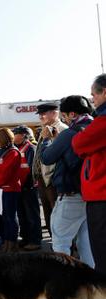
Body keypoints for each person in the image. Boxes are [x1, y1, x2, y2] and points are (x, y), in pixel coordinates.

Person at [41, 95, 94, 267]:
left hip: (71, 193)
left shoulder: (70, 133)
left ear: (72, 114)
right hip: (91, 193)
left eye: (63, 116)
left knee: (60, 240)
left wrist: (47, 140)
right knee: (86, 243)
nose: (63, 119)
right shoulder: (96, 127)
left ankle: (63, 285)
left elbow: (47, 157)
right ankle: (91, 281)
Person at [73, 74, 106, 273]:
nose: (92, 99)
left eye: (94, 94)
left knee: (102, 253)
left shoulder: (102, 121)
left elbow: (79, 144)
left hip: (101, 196)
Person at [32, 102, 68, 235]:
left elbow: (57, 154)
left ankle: (64, 247)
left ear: (54, 113)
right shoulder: (45, 128)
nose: (41, 117)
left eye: (43, 113)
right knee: (48, 214)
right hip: (43, 178)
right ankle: (55, 243)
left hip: (53, 178)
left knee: (57, 215)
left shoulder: (62, 129)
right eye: (40, 114)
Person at [0, 128, 22, 252]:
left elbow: (5, 173)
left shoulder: (13, 152)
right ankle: (6, 241)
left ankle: (12, 243)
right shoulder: (1, 152)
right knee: (4, 217)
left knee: (10, 217)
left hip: (10, 190)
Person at [13, 125, 42, 251]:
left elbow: (31, 169)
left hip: (29, 187)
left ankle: (35, 240)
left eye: (16, 134)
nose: (14, 136)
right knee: (22, 215)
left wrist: (26, 183)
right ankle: (25, 238)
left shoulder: (31, 148)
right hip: (19, 187)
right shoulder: (16, 148)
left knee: (32, 215)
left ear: (24, 135)